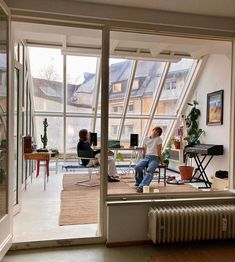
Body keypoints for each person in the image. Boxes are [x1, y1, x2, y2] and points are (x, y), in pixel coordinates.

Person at [134, 126, 163, 193]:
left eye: (158, 132)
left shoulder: (159, 139)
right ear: (153, 130)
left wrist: (161, 162)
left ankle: (141, 187)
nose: (156, 132)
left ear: (159, 134)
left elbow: (159, 152)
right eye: (155, 130)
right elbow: (145, 149)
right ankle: (140, 182)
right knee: (137, 167)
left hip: (155, 158)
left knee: (149, 171)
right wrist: (143, 158)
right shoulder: (146, 138)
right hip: (147, 157)